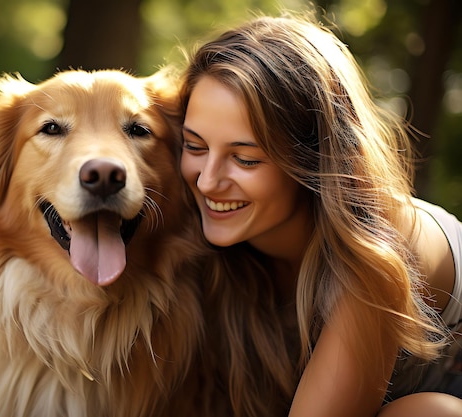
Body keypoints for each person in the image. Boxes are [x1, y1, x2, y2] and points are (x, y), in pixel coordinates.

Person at [178, 12, 462, 417]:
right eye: (195, 146)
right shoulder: (198, 237)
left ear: (314, 160)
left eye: (245, 159)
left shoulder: (376, 247)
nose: (207, 182)